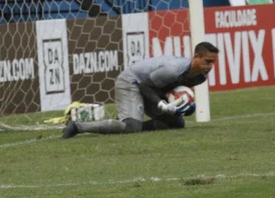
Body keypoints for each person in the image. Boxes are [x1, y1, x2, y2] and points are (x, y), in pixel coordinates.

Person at [62, 41, 219, 138]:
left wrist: (185, 105)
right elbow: (144, 85)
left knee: (176, 123)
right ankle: (78, 126)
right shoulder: (173, 69)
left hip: (150, 87)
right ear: (196, 57)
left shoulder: (200, 77)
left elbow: (169, 90)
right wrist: (162, 104)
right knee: (131, 128)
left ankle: (129, 122)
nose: (210, 66)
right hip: (131, 82)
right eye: (207, 61)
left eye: (213, 63)